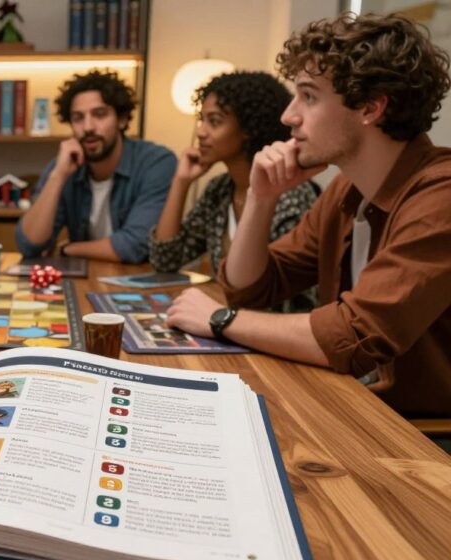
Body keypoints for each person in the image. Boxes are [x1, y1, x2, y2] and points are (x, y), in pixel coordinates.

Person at [165, 14, 451, 418]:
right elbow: (252, 287)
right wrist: (263, 198)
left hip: (423, 441)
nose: (288, 116)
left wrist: (219, 319)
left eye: (309, 96)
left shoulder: (441, 195)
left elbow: (353, 336)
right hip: (357, 408)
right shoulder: (346, 189)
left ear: (370, 107)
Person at [149, 71, 318, 291]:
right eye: (201, 120)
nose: (200, 132)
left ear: (249, 128)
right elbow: (165, 262)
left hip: (264, 323)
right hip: (223, 315)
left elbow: (286, 296)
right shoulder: (219, 189)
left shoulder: (290, 193)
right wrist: (181, 182)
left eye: (214, 121)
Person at [16, 69, 176, 262]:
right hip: (83, 281)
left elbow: (136, 245)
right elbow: (29, 244)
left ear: (122, 120)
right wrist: (57, 176)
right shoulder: (64, 166)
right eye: (78, 118)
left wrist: (69, 249)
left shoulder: (156, 163)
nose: (88, 127)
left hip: (136, 282)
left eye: (99, 114)